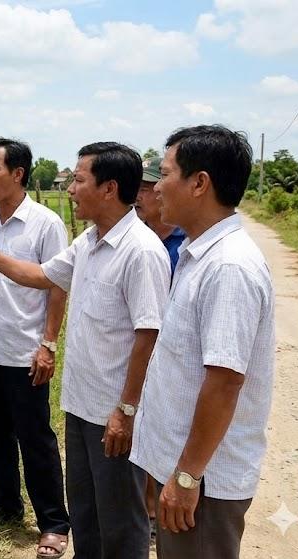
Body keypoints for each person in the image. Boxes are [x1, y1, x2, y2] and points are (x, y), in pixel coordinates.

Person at [0, 142, 170, 558]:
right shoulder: (88, 242)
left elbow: (149, 335)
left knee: (119, 518)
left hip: (113, 412)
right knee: (87, 512)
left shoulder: (141, 251)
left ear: (109, 188)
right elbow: (41, 275)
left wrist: (127, 409)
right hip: (82, 403)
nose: (70, 188)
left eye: (79, 179)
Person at [130, 125, 274, 559]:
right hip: (186, 468)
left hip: (205, 481)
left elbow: (225, 381)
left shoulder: (228, 267)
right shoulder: (200, 255)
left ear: (199, 183)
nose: (156, 190)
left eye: (167, 174)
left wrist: (188, 476)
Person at [0, 138, 70, 558]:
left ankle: (54, 523)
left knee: (34, 437)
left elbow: (58, 286)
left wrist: (49, 344)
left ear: (17, 173)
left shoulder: (46, 224)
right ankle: (5, 506)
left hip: (25, 350)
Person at [134, 155, 187, 533]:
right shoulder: (138, 239)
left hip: (173, 356)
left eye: (145, 187)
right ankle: (146, 508)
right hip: (142, 352)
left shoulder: (186, 244)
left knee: (164, 430)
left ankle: (157, 509)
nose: (138, 196)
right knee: (141, 430)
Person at [135, 156, 186, 272]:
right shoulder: (134, 238)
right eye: (135, 189)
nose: (136, 197)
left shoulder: (188, 240)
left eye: (143, 189)